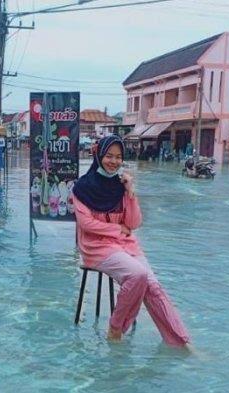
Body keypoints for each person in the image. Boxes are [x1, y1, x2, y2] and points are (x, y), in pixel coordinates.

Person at [72, 135, 190, 346]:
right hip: (96, 247)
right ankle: (116, 328)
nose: (113, 161)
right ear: (99, 155)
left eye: (118, 157)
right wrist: (118, 229)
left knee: (153, 286)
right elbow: (87, 224)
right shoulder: (82, 187)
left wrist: (131, 193)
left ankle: (179, 341)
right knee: (138, 275)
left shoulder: (121, 186)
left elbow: (134, 223)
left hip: (126, 245)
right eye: (109, 156)